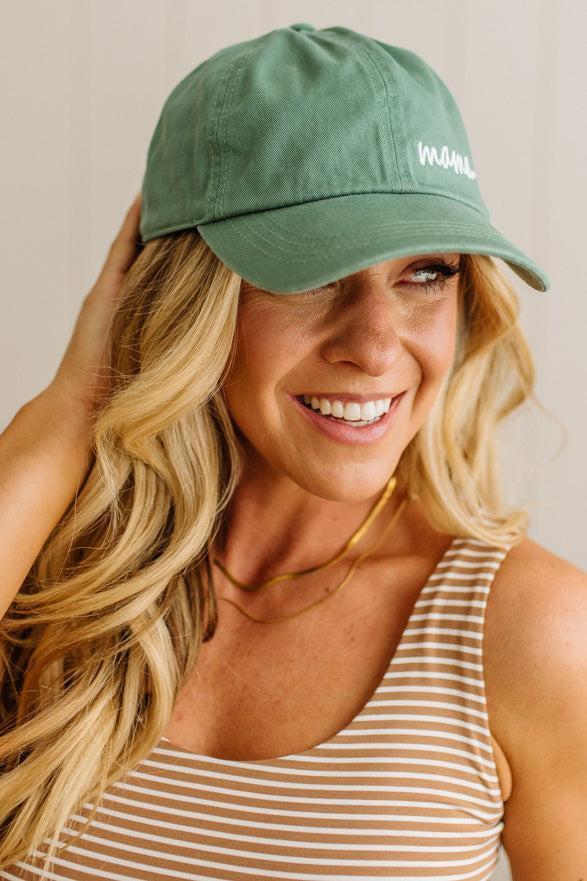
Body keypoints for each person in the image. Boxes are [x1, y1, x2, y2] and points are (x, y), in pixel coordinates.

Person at [0, 21, 585, 881]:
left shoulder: (531, 635)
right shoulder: (56, 578)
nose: (378, 347)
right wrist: (66, 411)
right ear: (191, 300)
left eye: (426, 272)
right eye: (312, 271)